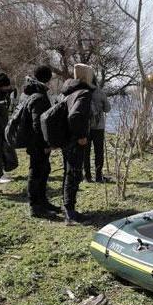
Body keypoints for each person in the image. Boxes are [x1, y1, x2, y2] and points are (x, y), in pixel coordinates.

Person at [60, 64, 95, 225]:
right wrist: (81, 135)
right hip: (74, 141)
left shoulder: (68, 92)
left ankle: (68, 208)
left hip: (66, 139)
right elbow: (74, 116)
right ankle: (70, 212)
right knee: (73, 175)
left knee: (68, 173)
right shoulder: (84, 93)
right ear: (86, 76)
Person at [24, 65, 60, 218]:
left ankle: (43, 201)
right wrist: (45, 144)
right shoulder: (38, 96)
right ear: (48, 77)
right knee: (36, 172)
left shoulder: (36, 92)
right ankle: (35, 206)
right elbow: (38, 123)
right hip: (37, 143)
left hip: (37, 141)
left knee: (44, 170)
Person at [84, 77, 111, 182]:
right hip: (99, 127)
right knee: (98, 152)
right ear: (95, 81)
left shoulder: (81, 92)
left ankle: (87, 176)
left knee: (85, 152)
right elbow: (108, 109)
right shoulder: (100, 92)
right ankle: (98, 177)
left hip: (85, 127)